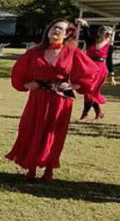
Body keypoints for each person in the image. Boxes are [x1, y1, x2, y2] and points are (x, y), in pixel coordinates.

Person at [6, 18, 98, 181]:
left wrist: (74, 86)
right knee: (33, 129)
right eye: (54, 27)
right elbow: (18, 71)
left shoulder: (72, 52)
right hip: (38, 98)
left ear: (68, 34)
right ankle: (31, 167)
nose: (56, 31)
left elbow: (93, 72)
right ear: (48, 30)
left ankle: (49, 170)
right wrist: (27, 84)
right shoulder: (34, 52)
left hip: (61, 101)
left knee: (54, 134)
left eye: (60, 29)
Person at [79, 25, 116, 121]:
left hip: (100, 71)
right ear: (100, 32)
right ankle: (99, 112)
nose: (108, 36)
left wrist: (112, 75)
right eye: (106, 33)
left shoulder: (109, 47)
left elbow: (109, 61)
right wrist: (85, 25)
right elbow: (86, 34)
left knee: (91, 92)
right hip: (89, 69)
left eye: (109, 34)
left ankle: (85, 115)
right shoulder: (91, 41)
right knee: (89, 92)